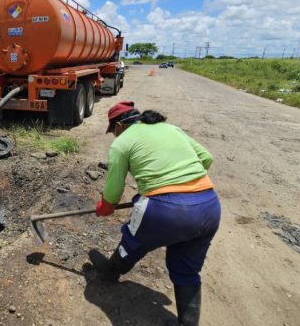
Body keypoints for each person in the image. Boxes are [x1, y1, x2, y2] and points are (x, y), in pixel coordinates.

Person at [94, 101, 221, 326]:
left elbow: (113, 191)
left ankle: (110, 273)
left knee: (132, 242)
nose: (114, 136)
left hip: (166, 210)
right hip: (208, 205)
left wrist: (106, 206)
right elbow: (207, 158)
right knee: (186, 270)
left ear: (120, 126)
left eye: (113, 130)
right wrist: (184, 183)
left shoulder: (122, 142)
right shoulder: (171, 128)